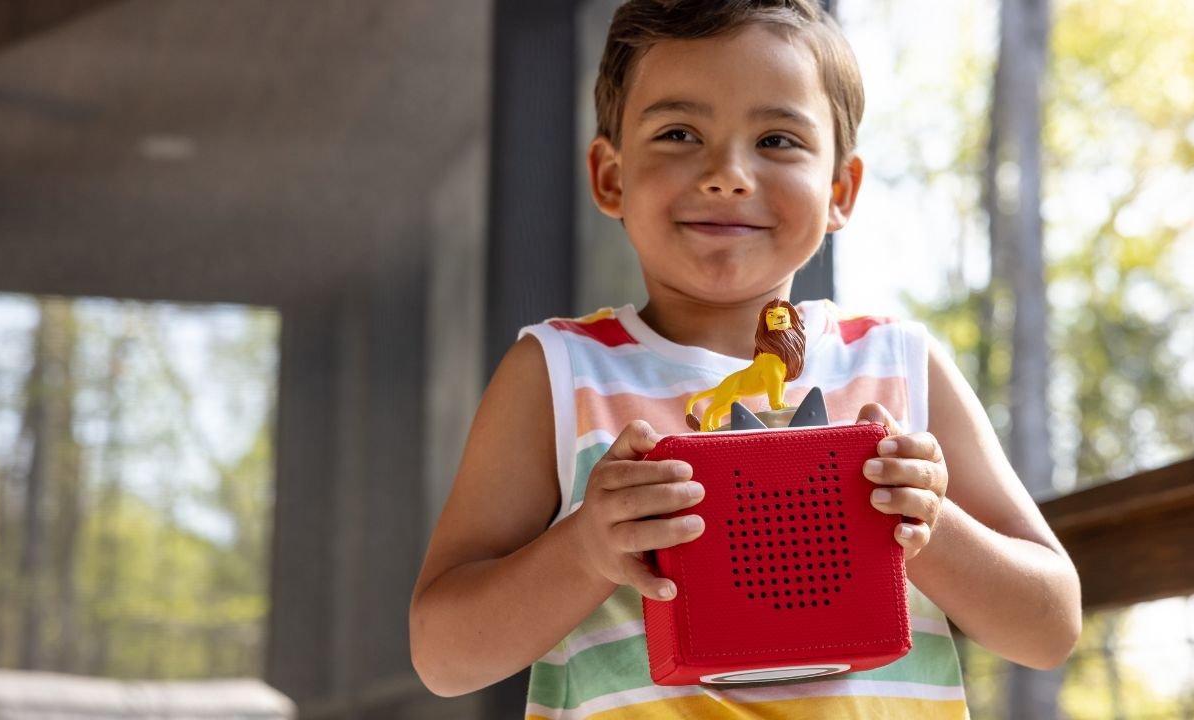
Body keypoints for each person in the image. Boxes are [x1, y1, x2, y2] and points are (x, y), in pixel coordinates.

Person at [409, 1, 1081, 717]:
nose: (728, 173)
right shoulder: (558, 372)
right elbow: (445, 658)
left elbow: (1050, 627)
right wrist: (585, 550)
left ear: (840, 191)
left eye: (778, 140)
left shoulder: (901, 364)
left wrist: (932, 524)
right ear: (610, 177)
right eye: (678, 133)